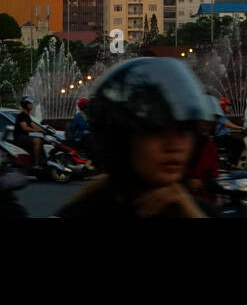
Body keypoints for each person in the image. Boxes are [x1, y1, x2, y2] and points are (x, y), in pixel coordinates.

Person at [57, 57, 211, 218]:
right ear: (122, 139)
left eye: (183, 130)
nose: (174, 145)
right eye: (155, 130)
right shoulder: (85, 212)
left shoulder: (199, 210)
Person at [13, 96, 44, 168]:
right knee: (37, 140)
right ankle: (36, 163)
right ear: (25, 105)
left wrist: (43, 129)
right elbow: (25, 128)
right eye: (30, 104)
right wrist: (38, 130)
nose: (32, 105)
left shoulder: (27, 115)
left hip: (25, 136)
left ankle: (41, 160)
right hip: (20, 137)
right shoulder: (22, 115)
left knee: (41, 139)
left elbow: (33, 125)